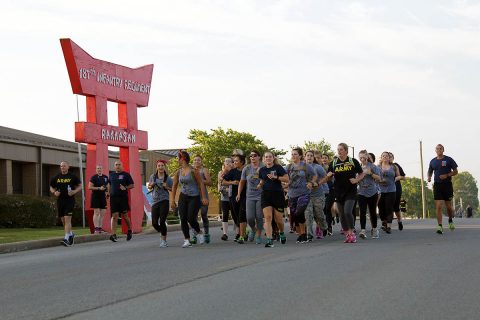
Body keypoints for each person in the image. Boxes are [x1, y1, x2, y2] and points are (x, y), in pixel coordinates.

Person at [326, 143, 364, 243]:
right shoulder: (334, 163)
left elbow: (361, 173)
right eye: (338, 149)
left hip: (351, 191)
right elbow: (329, 176)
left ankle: (352, 233)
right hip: (338, 192)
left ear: (346, 151)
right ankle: (347, 234)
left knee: (347, 211)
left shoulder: (352, 161)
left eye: (341, 149)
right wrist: (329, 175)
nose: (339, 151)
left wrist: (356, 180)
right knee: (342, 214)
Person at [171, 150, 209, 247]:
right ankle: (187, 240)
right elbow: (174, 186)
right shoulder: (178, 172)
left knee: (191, 218)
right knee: (183, 218)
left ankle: (199, 232)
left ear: (183, 159)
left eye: (179, 158)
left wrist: (204, 197)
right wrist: (172, 201)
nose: (178, 160)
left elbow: (200, 183)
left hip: (194, 197)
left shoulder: (193, 171)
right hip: (183, 196)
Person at [258, 151, 289, 247]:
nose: (268, 158)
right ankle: (269, 239)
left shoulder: (278, 168)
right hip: (266, 195)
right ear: (264, 159)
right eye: (266, 157)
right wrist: (260, 185)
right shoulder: (262, 170)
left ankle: (282, 233)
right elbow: (262, 180)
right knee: (268, 218)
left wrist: (276, 177)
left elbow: (287, 179)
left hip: (277, 194)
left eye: (270, 157)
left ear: (273, 158)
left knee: (278, 220)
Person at [286, 148, 317, 243]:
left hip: (304, 193)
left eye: (295, 154)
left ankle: (303, 234)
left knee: (299, 212)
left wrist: (311, 182)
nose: (293, 156)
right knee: (295, 215)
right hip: (292, 194)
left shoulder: (305, 166)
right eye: (292, 154)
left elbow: (314, 175)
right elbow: (284, 177)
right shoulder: (288, 167)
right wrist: (285, 184)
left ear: (300, 156)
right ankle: (300, 234)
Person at [427, 144, 458, 234]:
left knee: (448, 206)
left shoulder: (449, 159)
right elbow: (430, 170)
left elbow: (456, 171)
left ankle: (450, 220)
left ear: (443, 150)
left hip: (447, 185)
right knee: (439, 205)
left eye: (440, 148)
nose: (439, 150)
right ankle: (440, 226)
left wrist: (447, 175)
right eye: (437, 149)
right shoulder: (433, 161)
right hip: (437, 185)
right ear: (435, 150)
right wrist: (429, 177)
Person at [50, 161, 82, 247]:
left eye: (64, 166)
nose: (62, 167)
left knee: (67, 218)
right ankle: (70, 234)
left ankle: (66, 238)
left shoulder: (72, 176)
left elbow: (80, 185)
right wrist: (54, 192)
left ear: (68, 167)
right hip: (60, 200)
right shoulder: (56, 177)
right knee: (63, 220)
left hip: (69, 200)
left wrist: (74, 191)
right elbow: (51, 187)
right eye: (61, 166)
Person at [237, 150, 264, 244]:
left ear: (259, 157)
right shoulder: (247, 168)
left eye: (255, 155)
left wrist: (261, 183)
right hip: (250, 196)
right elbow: (242, 182)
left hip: (261, 195)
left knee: (259, 216)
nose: (252, 157)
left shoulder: (263, 167)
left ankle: (259, 235)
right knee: (250, 218)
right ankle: (253, 229)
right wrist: (239, 194)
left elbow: (267, 180)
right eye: (251, 156)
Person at [147, 160, 173, 247]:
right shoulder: (153, 176)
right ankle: (162, 232)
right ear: (156, 167)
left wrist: (167, 187)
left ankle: (163, 240)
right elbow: (149, 186)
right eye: (159, 166)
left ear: (164, 167)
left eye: (162, 166)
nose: (160, 167)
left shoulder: (168, 178)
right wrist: (152, 184)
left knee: (162, 221)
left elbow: (172, 189)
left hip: (164, 200)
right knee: (154, 223)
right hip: (155, 201)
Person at [223, 154, 247, 244]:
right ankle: (243, 232)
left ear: (242, 162)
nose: (234, 162)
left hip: (245, 196)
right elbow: (223, 181)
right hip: (233, 196)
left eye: (236, 161)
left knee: (242, 215)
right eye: (234, 161)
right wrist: (232, 182)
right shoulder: (232, 171)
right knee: (236, 216)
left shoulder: (246, 170)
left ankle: (241, 236)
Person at [357, 150, 381, 239]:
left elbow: (379, 178)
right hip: (361, 192)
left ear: (367, 157)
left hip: (372, 192)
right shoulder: (358, 167)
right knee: (362, 212)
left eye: (364, 157)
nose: (362, 159)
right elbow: (356, 178)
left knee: (372, 212)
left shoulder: (373, 167)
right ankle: (363, 230)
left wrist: (370, 173)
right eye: (360, 158)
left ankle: (374, 229)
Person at [109, 161, 135, 242]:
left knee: (125, 215)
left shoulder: (126, 175)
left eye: (119, 164)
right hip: (113, 198)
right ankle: (113, 234)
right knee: (114, 216)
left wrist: (126, 188)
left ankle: (129, 230)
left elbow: (132, 185)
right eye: (116, 165)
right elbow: (109, 185)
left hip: (123, 198)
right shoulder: (111, 175)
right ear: (114, 166)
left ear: (122, 166)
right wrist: (107, 192)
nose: (117, 166)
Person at [304, 150, 327, 241]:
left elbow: (326, 178)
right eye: (307, 155)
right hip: (306, 195)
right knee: (308, 214)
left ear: (313, 158)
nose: (309, 157)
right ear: (305, 157)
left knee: (319, 215)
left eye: (311, 156)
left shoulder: (318, 167)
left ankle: (324, 227)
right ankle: (309, 234)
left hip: (318, 195)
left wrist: (318, 183)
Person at [377, 152, 401, 234]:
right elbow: (374, 177)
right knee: (381, 209)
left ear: (389, 158)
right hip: (380, 191)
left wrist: (396, 178)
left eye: (386, 156)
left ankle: (389, 227)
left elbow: (399, 176)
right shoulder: (378, 167)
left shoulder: (394, 167)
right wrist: (380, 180)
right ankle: (384, 221)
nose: (385, 157)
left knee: (389, 208)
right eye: (383, 156)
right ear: (381, 157)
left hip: (391, 190)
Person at [193, 155, 212, 243]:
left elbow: (209, 182)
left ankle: (206, 233)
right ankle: (194, 235)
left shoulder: (204, 170)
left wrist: (200, 180)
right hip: (193, 195)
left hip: (203, 195)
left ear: (201, 162)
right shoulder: (191, 170)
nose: (197, 161)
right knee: (193, 216)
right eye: (195, 160)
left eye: (199, 160)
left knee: (204, 214)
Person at [88, 165, 109, 234]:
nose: (99, 170)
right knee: (96, 213)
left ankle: (100, 228)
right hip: (95, 197)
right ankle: (96, 228)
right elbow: (89, 187)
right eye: (97, 168)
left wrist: (107, 193)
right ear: (96, 170)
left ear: (102, 169)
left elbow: (107, 186)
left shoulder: (105, 177)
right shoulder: (94, 177)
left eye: (100, 168)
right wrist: (99, 188)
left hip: (103, 197)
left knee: (102, 213)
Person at [218, 157, 235, 240]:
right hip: (224, 196)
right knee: (225, 214)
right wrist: (220, 189)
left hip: (233, 197)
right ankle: (225, 233)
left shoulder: (235, 172)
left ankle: (239, 232)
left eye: (229, 161)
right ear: (224, 163)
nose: (228, 163)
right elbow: (220, 182)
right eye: (226, 161)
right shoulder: (221, 172)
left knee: (235, 215)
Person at [390, 153, 406, 230]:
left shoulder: (395, 166)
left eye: (390, 157)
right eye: (387, 156)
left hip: (396, 189)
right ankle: (386, 224)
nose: (388, 158)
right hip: (385, 189)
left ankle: (399, 221)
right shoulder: (381, 166)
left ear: (393, 158)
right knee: (387, 206)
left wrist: (398, 177)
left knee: (395, 207)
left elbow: (403, 177)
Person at [321, 153, 335, 235]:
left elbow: (330, 178)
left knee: (327, 208)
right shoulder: (319, 167)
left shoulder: (331, 167)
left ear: (328, 159)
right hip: (321, 190)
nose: (324, 159)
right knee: (322, 209)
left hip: (330, 190)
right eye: (322, 158)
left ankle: (329, 226)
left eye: (326, 158)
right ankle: (324, 226)